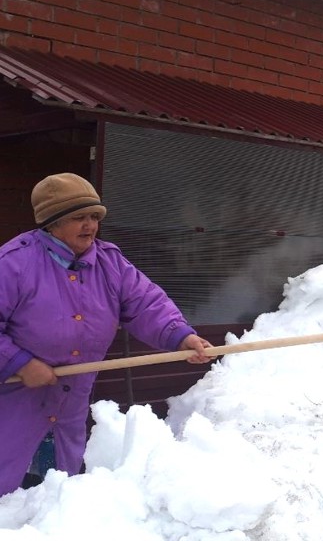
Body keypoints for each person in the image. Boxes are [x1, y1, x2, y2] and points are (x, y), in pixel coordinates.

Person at [0, 173, 214, 497]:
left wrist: (180, 336)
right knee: (7, 482)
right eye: (78, 217)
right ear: (51, 223)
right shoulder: (14, 263)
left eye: (94, 217)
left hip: (70, 400)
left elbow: (145, 303)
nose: (90, 226)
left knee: (58, 492)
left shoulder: (109, 262)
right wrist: (18, 363)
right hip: (16, 400)